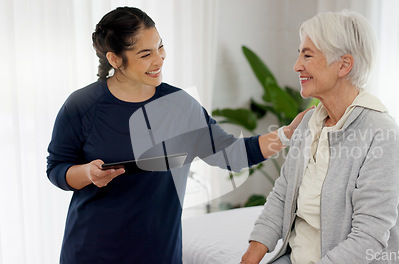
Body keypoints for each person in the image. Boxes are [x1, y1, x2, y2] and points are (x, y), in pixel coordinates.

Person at [46, 6, 310, 264]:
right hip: (92, 251)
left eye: (160, 47)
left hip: (158, 252)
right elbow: (57, 168)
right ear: (115, 59)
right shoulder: (82, 106)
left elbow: (232, 154)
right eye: (145, 54)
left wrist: (287, 134)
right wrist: (88, 174)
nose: (159, 59)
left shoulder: (180, 106)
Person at [241, 11, 399, 264]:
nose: (297, 65)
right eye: (300, 53)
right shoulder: (308, 124)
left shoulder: (382, 135)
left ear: (344, 65)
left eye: (307, 55)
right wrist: (248, 260)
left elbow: (368, 238)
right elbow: (282, 196)